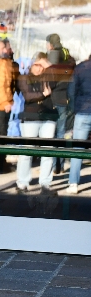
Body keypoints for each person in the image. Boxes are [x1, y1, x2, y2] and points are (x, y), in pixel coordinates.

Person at [16, 56, 58, 194]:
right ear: (31, 65)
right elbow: (28, 96)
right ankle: (22, 183)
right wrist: (43, 94)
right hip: (31, 118)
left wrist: (49, 66)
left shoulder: (48, 78)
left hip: (48, 117)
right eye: (37, 65)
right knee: (27, 151)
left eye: (42, 65)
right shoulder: (24, 78)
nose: (39, 68)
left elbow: (56, 79)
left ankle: (45, 183)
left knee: (48, 151)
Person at [45, 33, 75, 174]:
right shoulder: (68, 58)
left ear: (50, 44)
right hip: (64, 99)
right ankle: (60, 165)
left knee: (51, 133)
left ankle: (51, 166)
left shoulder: (52, 58)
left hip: (53, 99)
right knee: (61, 133)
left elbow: (51, 82)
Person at [0, 39, 19, 172]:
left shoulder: (0, 62)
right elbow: (1, 84)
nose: (6, 50)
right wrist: (6, 102)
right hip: (1, 105)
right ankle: (2, 164)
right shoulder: (3, 63)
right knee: (1, 135)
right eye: (3, 47)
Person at [66, 54, 91, 194]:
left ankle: (73, 183)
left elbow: (71, 90)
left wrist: (74, 108)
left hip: (83, 112)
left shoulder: (81, 68)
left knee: (78, 149)